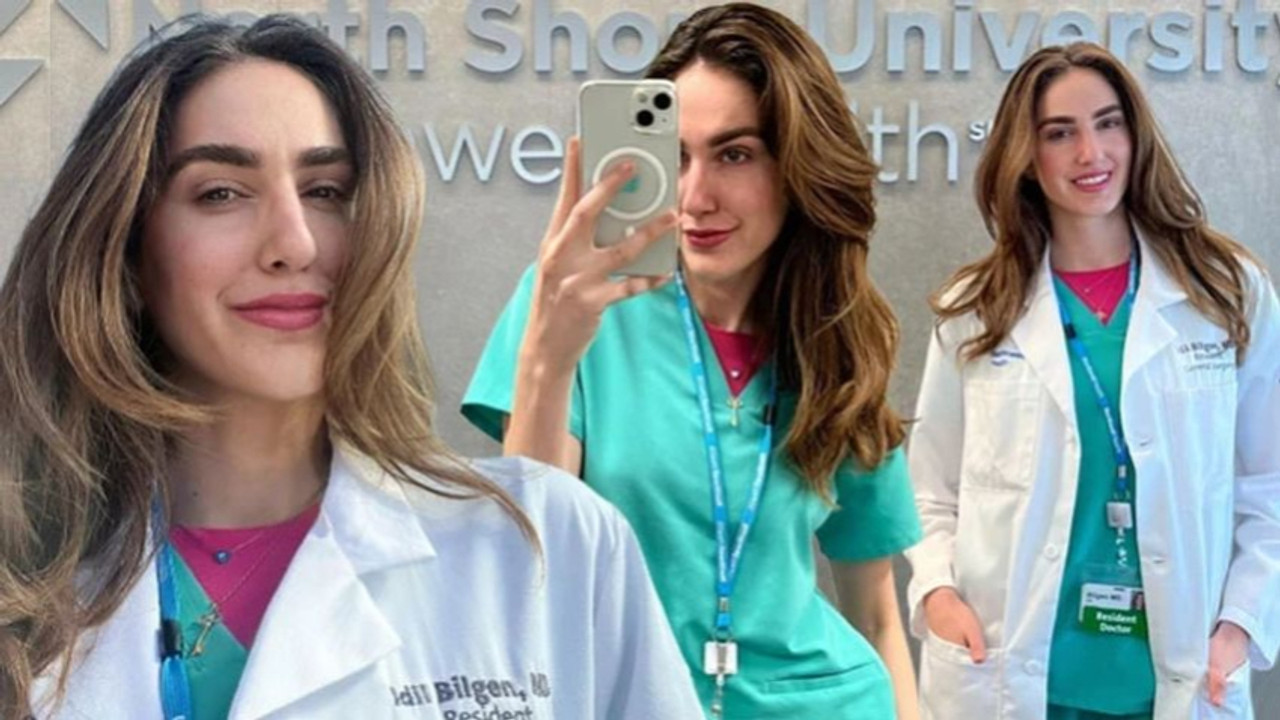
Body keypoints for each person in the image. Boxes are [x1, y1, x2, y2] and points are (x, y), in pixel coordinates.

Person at [2, 15, 700, 720]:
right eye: (221, 193)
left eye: (326, 191)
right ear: (127, 253)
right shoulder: (23, 583)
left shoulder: (551, 544)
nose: (295, 244)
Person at [464, 4, 921, 718]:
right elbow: (536, 562)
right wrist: (549, 354)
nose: (695, 197)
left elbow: (878, 615)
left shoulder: (838, 337)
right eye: (675, 157)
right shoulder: (577, 305)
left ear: (796, 164)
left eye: (734, 154)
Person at [906, 42, 1280, 720]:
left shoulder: (1226, 293)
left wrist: (1242, 624)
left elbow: (1271, 482)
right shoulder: (975, 310)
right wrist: (937, 594)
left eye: (1109, 124)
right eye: (1060, 133)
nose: (1091, 152)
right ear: (1026, 155)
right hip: (1008, 673)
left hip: (1183, 675)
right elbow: (928, 488)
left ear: (1136, 136)